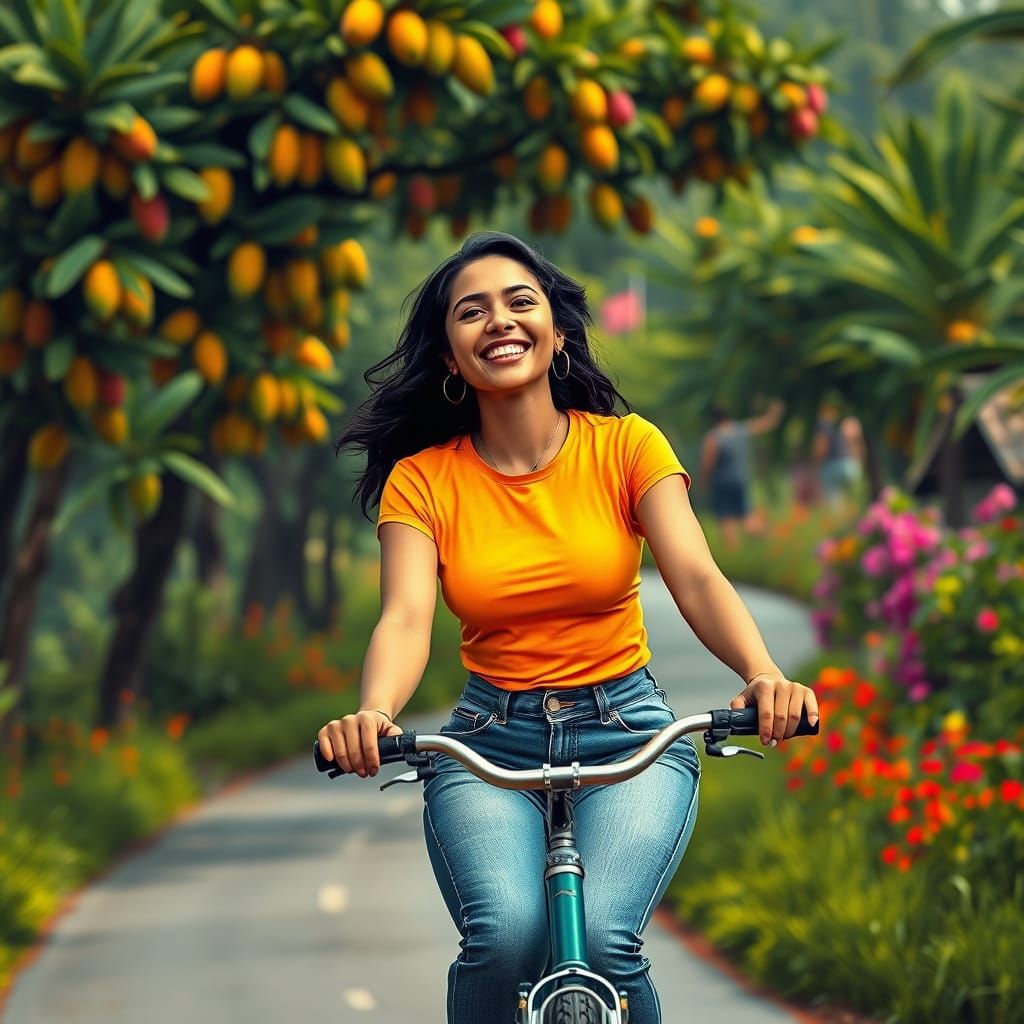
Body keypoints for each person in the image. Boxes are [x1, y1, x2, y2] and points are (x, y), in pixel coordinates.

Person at [318, 232, 819, 1024]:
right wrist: (374, 714)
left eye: (521, 303)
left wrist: (763, 674)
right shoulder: (424, 480)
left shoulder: (626, 445)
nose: (499, 322)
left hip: (630, 733)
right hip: (489, 741)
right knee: (506, 936)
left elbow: (694, 575)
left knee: (611, 947)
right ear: (450, 357)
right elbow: (407, 618)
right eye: (470, 312)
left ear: (555, 334)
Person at [696, 399, 784, 550]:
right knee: (746, 514)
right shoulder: (742, 430)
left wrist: (702, 482)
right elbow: (767, 423)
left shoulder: (713, 437)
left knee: (726, 517)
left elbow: (707, 463)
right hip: (741, 479)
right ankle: (772, 539)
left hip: (722, 482)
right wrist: (777, 408)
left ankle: (732, 550)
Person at [812, 399, 864, 514]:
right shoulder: (850, 422)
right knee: (853, 497)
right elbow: (860, 446)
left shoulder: (824, 424)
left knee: (833, 500)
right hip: (853, 467)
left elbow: (820, 447)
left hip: (833, 466)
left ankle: (837, 518)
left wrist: (816, 467)